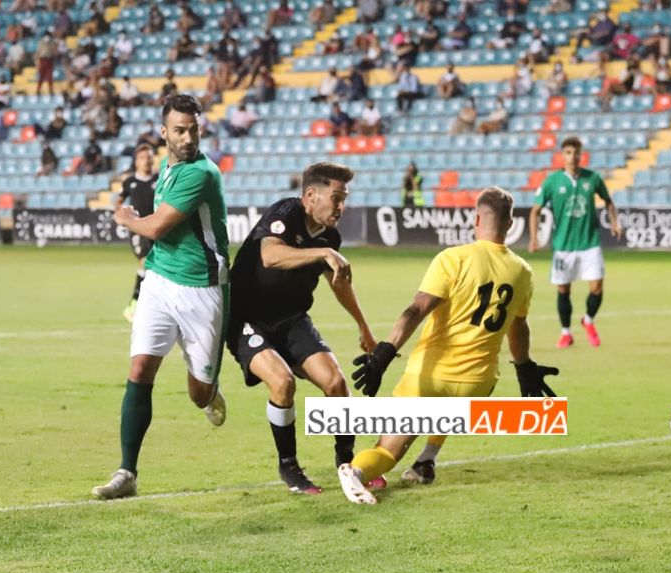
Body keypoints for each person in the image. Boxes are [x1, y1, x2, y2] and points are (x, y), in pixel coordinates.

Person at [338, 187, 559, 503]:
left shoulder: (454, 258)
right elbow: (518, 326)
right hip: (477, 383)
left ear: (476, 218)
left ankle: (355, 472)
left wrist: (384, 353)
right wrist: (524, 367)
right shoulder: (522, 271)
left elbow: (417, 309)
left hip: (429, 375)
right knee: (446, 411)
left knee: (387, 450)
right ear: (511, 224)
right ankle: (427, 459)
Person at [92, 94, 230, 500]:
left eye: (195, 129)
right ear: (164, 133)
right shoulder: (167, 169)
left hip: (203, 290)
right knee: (139, 372)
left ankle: (209, 389)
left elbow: (156, 228)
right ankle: (126, 472)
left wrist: (127, 219)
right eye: (180, 130)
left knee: (198, 393)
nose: (189, 138)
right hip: (159, 282)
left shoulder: (201, 174)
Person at [227, 162, 375, 494]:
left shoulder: (330, 236)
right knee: (282, 382)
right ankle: (289, 467)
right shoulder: (287, 212)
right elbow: (270, 255)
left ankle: (346, 462)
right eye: (336, 197)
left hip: (292, 319)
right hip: (249, 319)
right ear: (311, 195)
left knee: (336, 383)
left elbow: (338, 282)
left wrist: (363, 325)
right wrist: (323, 252)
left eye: (344, 198)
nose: (341, 207)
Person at [528, 137, 621, 349]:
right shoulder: (552, 182)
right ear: (563, 155)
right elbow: (535, 211)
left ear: (581, 155)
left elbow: (608, 201)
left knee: (597, 287)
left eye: (576, 153)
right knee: (563, 290)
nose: (573, 157)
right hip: (563, 246)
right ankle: (566, 333)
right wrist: (534, 238)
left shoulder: (593, 178)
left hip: (590, 243)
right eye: (569, 152)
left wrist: (614, 222)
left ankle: (588, 320)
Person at [117, 144, 159, 323]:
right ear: (136, 161)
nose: (146, 160)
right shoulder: (130, 182)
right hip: (136, 229)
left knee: (153, 267)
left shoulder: (159, 179)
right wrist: (121, 216)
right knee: (145, 262)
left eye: (149, 157)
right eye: (142, 157)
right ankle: (133, 304)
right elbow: (119, 200)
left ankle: (144, 304)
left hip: (155, 228)